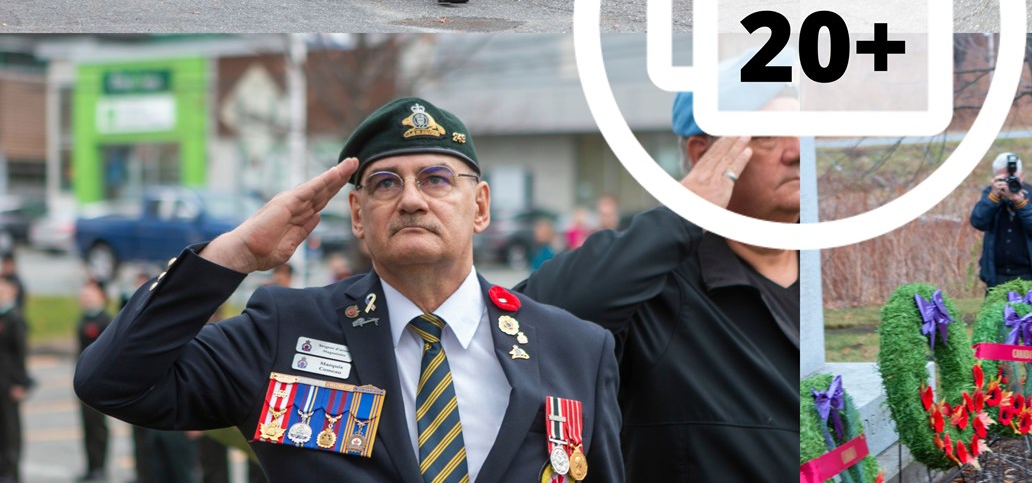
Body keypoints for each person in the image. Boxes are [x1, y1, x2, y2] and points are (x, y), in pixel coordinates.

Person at [77, 97, 623, 483]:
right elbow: (112, 382)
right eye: (386, 183)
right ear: (358, 215)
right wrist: (234, 255)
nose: (411, 200)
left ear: (479, 206)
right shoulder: (285, 331)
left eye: (435, 178)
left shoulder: (574, 347)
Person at [517, 76, 799, 481]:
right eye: (768, 135)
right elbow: (533, 321)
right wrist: (681, 215)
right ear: (704, 155)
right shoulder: (655, 287)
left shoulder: (829, 273)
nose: (796, 152)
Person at [970, 152, 1032, 290]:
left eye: (1012, 178)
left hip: (1031, 275)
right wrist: (993, 198)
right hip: (997, 277)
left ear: (1022, 176)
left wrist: (1021, 203)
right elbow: (978, 222)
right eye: (1004, 179)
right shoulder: (991, 195)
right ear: (995, 178)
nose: (1009, 183)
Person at [77, 278, 113, 482]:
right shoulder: (84, 319)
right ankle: (91, 466)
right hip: (84, 381)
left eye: (89, 295)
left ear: (101, 296)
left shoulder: (105, 320)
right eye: (83, 295)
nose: (85, 298)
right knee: (87, 426)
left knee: (98, 426)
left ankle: (100, 468)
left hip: (98, 382)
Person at [0, 276, 28, 483]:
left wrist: (20, 383)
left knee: (11, 430)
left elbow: (21, 354)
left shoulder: (15, 318)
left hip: (10, 383)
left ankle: (12, 472)